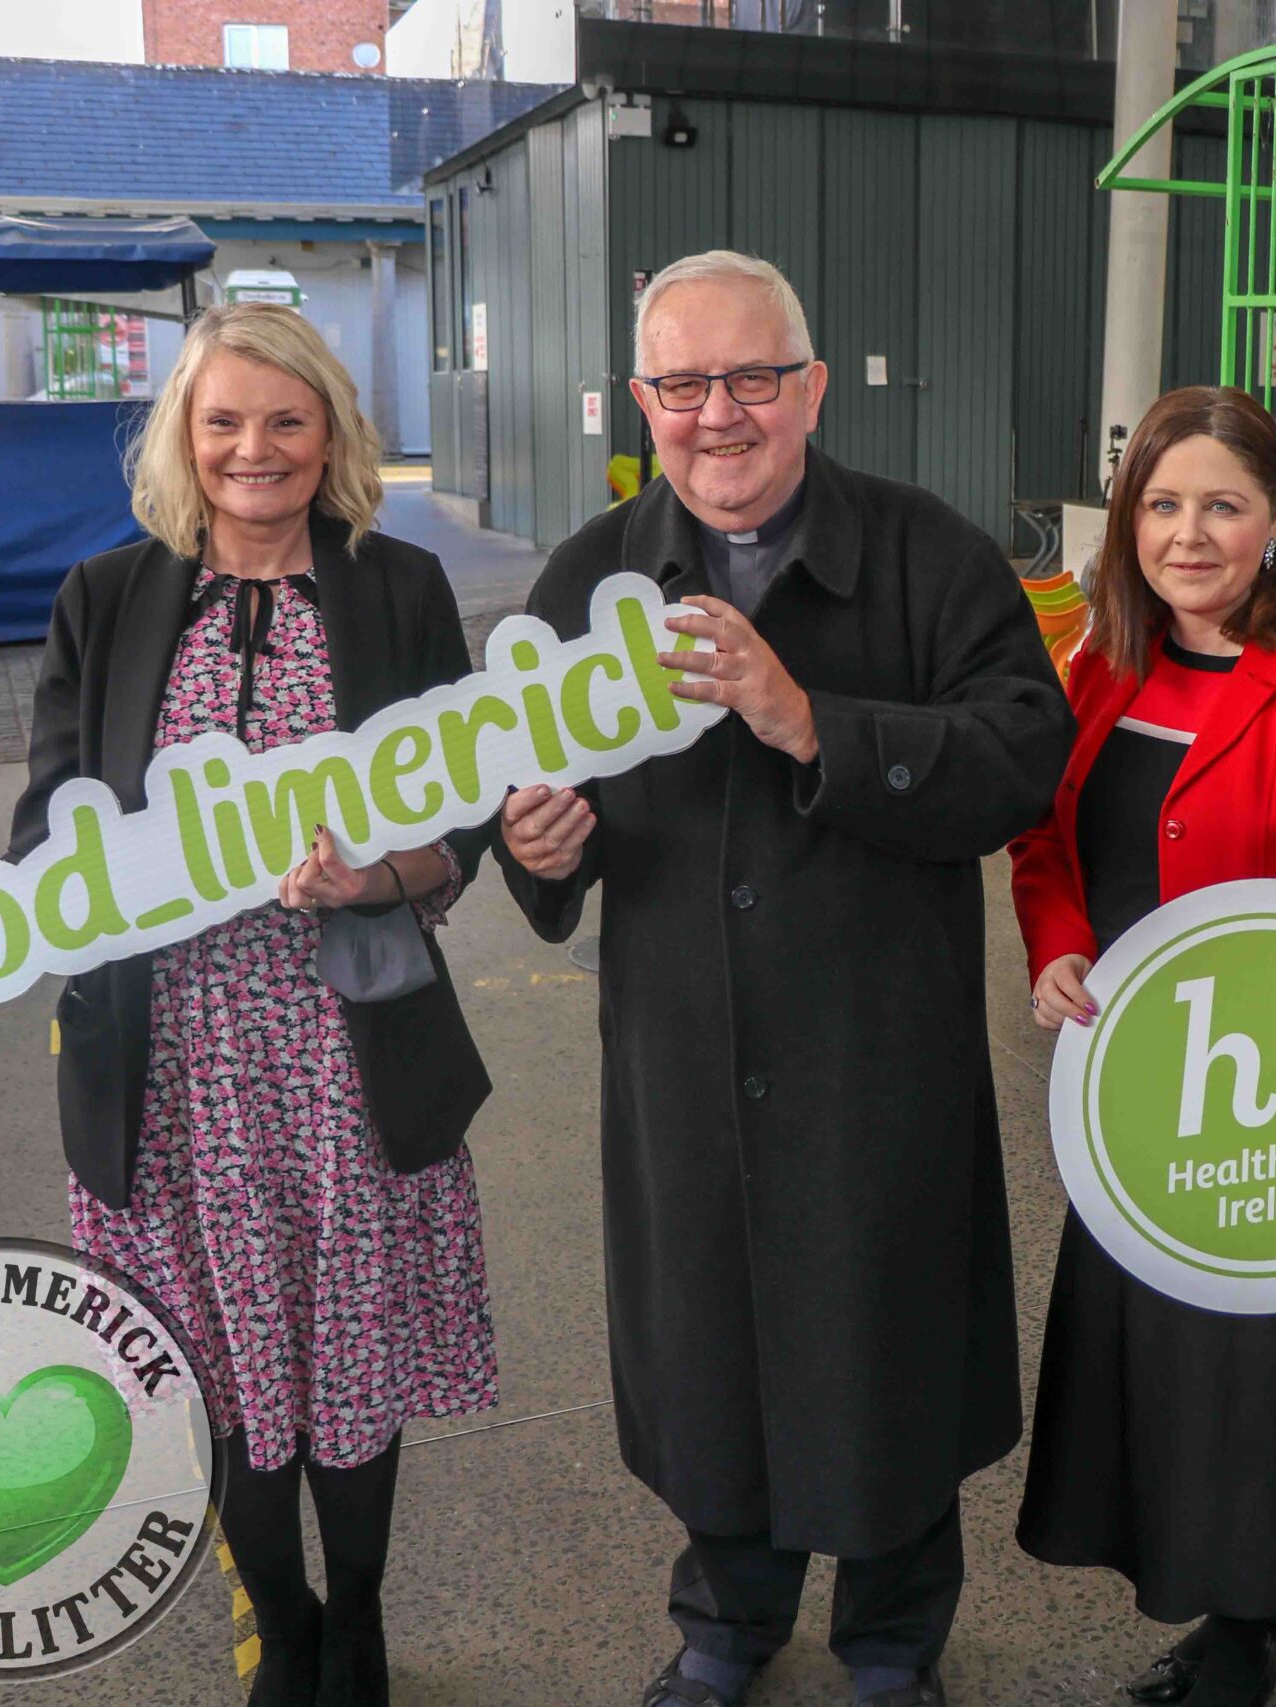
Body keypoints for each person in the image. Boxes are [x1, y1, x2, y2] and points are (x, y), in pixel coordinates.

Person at [0, 303, 499, 1707]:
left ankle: (360, 1625)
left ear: (330, 432)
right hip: (165, 1071)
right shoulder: (104, 599)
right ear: (182, 435)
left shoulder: (399, 590)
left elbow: (456, 827)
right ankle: (283, 1628)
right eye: (223, 420)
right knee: (209, 1372)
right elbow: (41, 845)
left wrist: (379, 877)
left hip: (344, 1055)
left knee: (346, 1365)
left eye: (287, 419)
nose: (254, 449)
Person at [492, 250, 1074, 1707]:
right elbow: (515, 787)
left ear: (811, 388)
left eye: (752, 378)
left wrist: (815, 723)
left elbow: (1023, 753)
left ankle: (892, 1639)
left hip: (878, 1051)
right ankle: (726, 1619)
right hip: (684, 1053)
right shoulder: (592, 577)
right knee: (711, 1350)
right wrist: (541, 845)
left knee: (886, 1348)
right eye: (684, 384)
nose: (719, 415)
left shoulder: (928, 554)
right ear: (643, 401)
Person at [1008, 385, 1276, 1707]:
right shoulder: (1103, 668)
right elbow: (1045, 844)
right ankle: (1192, 1592)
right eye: (1164, 505)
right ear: (1128, 524)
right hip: (1124, 1087)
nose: (1190, 534)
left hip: (1263, 1092)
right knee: (1149, 1355)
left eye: (1222, 506)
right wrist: (1057, 943)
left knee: (1251, 1369)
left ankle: (1252, 1624)